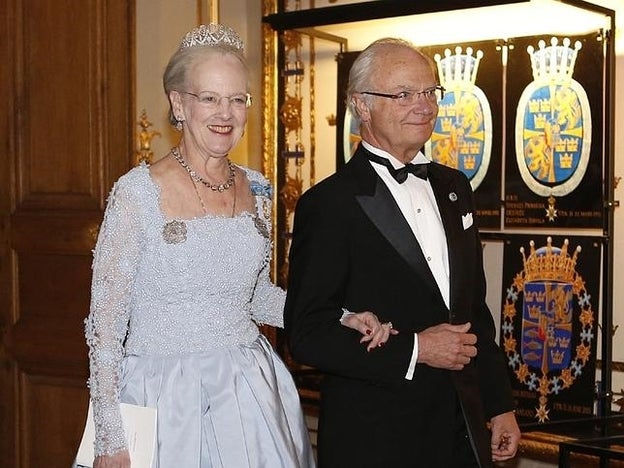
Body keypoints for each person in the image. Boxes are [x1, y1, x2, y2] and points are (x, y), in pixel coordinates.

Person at [83, 23, 390, 468]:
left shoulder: (259, 189)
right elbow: (105, 328)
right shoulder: (137, 193)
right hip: (161, 397)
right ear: (179, 103)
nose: (224, 113)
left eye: (236, 99)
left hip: (248, 393)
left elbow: (255, 296)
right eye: (209, 98)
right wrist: (110, 436)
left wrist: (339, 317)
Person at [284, 37, 521, 468]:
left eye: (430, 92)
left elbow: (473, 310)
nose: (424, 106)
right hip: (377, 438)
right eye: (404, 94)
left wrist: (497, 403)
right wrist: (414, 348)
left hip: (462, 432)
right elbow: (307, 333)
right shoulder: (329, 205)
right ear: (361, 105)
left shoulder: (455, 189)